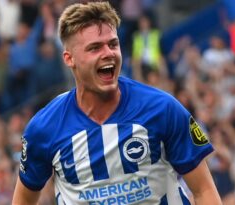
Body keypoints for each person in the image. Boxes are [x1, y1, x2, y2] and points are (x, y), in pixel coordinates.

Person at [12, 2, 222, 204]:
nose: (108, 53)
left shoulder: (163, 109)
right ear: (69, 59)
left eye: (113, 44)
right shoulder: (44, 127)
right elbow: (23, 200)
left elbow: (204, 190)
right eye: (95, 48)